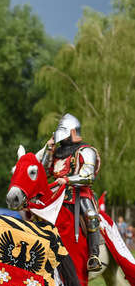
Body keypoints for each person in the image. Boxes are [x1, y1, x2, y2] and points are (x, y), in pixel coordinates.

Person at [37, 113, 102, 271]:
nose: (61, 138)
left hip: (79, 193)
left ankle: (94, 256)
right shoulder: (57, 152)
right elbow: (43, 172)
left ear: (73, 132)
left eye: (64, 134)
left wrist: (67, 180)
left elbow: (88, 176)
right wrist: (49, 148)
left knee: (91, 216)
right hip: (56, 194)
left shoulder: (86, 150)